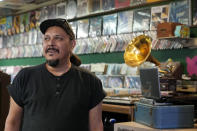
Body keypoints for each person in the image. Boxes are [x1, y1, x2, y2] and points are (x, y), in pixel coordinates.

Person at [4, 18, 106, 131]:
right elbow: (12, 122)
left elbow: (96, 126)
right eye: (46, 38)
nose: (50, 43)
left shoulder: (90, 82)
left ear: (72, 44)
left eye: (58, 38)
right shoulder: (25, 77)